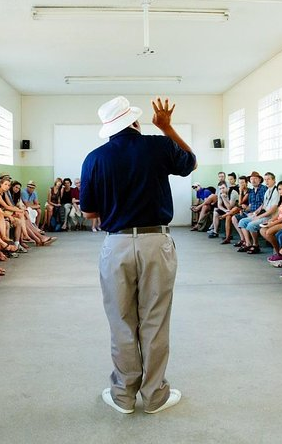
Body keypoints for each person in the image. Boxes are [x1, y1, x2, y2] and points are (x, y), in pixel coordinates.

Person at [81, 96, 196, 414]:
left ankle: (123, 395)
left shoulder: (94, 158)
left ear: (108, 128)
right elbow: (191, 163)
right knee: (154, 319)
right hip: (155, 241)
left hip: (116, 244)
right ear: (135, 121)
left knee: (121, 320)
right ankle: (155, 395)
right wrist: (168, 127)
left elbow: (89, 210)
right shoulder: (159, 145)